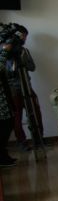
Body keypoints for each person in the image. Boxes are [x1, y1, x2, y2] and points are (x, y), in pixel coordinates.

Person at [4, 24, 43, 151]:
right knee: (17, 116)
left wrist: (23, 62)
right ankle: (22, 142)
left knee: (35, 111)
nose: (24, 39)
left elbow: (32, 67)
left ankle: (39, 138)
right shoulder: (5, 51)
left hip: (26, 86)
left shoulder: (24, 51)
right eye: (23, 36)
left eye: (25, 36)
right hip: (13, 89)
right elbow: (6, 71)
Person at [0, 31, 17, 166]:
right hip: (1, 102)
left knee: (8, 123)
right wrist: (5, 51)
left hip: (3, 97)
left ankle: (3, 155)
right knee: (5, 126)